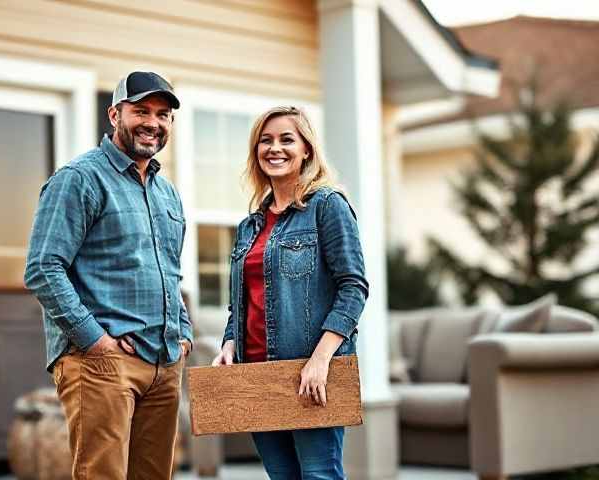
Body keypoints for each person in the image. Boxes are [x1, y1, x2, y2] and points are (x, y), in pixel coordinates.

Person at [24, 71, 192, 480]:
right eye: (141, 111)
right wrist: (96, 342)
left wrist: (183, 333)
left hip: (164, 360)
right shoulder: (79, 179)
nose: (153, 122)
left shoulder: (167, 192)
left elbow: (170, 271)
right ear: (115, 114)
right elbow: (43, 268)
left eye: (163, 114)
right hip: (102, 364)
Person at [211, 106, 369, 480]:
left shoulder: (328, 207)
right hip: (257, 376)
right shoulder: (249, 226)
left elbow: (354, 287)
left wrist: (320, 360)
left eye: (286, 139)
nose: (274, 148)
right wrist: (230, 342)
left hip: (311, 373)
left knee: (319, 476)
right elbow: (241, 303)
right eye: (265, 141)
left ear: (306, 150)